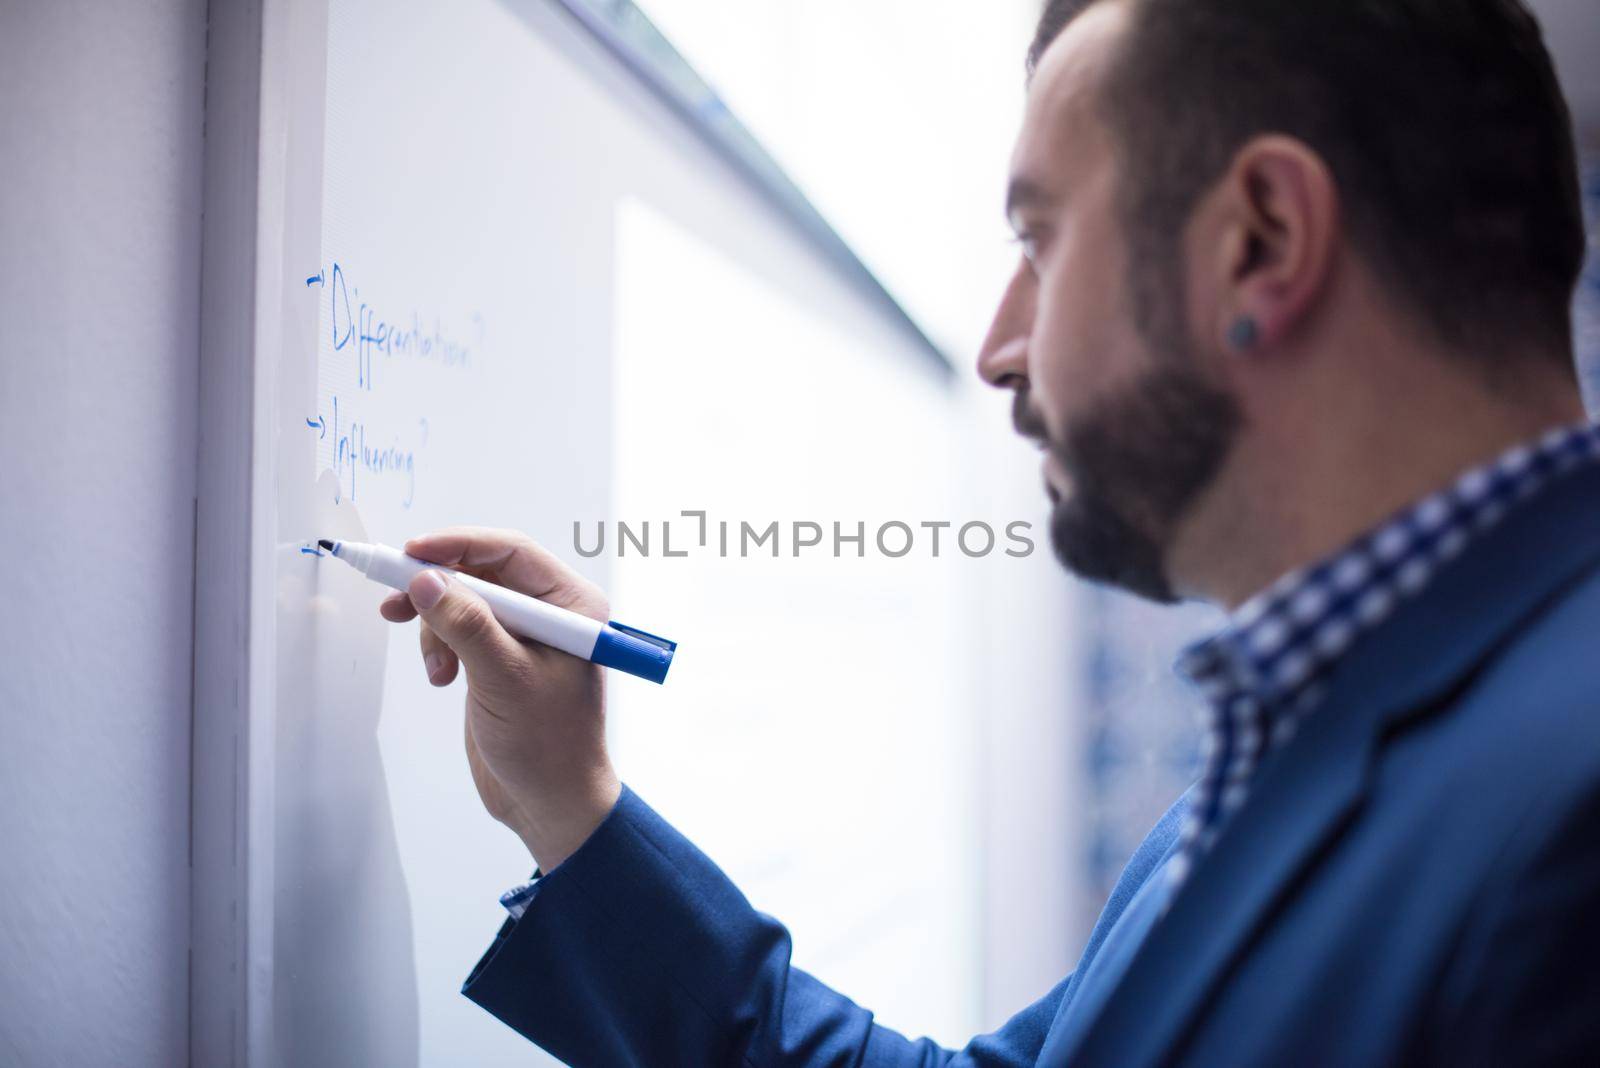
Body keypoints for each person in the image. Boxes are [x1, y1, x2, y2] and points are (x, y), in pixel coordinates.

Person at [377, 0, 1600, 1063]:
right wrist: (573, 807)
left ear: (1260, 242)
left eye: (1040, 241)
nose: (999, 349)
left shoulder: (1565, 815)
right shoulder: (1303, 730)